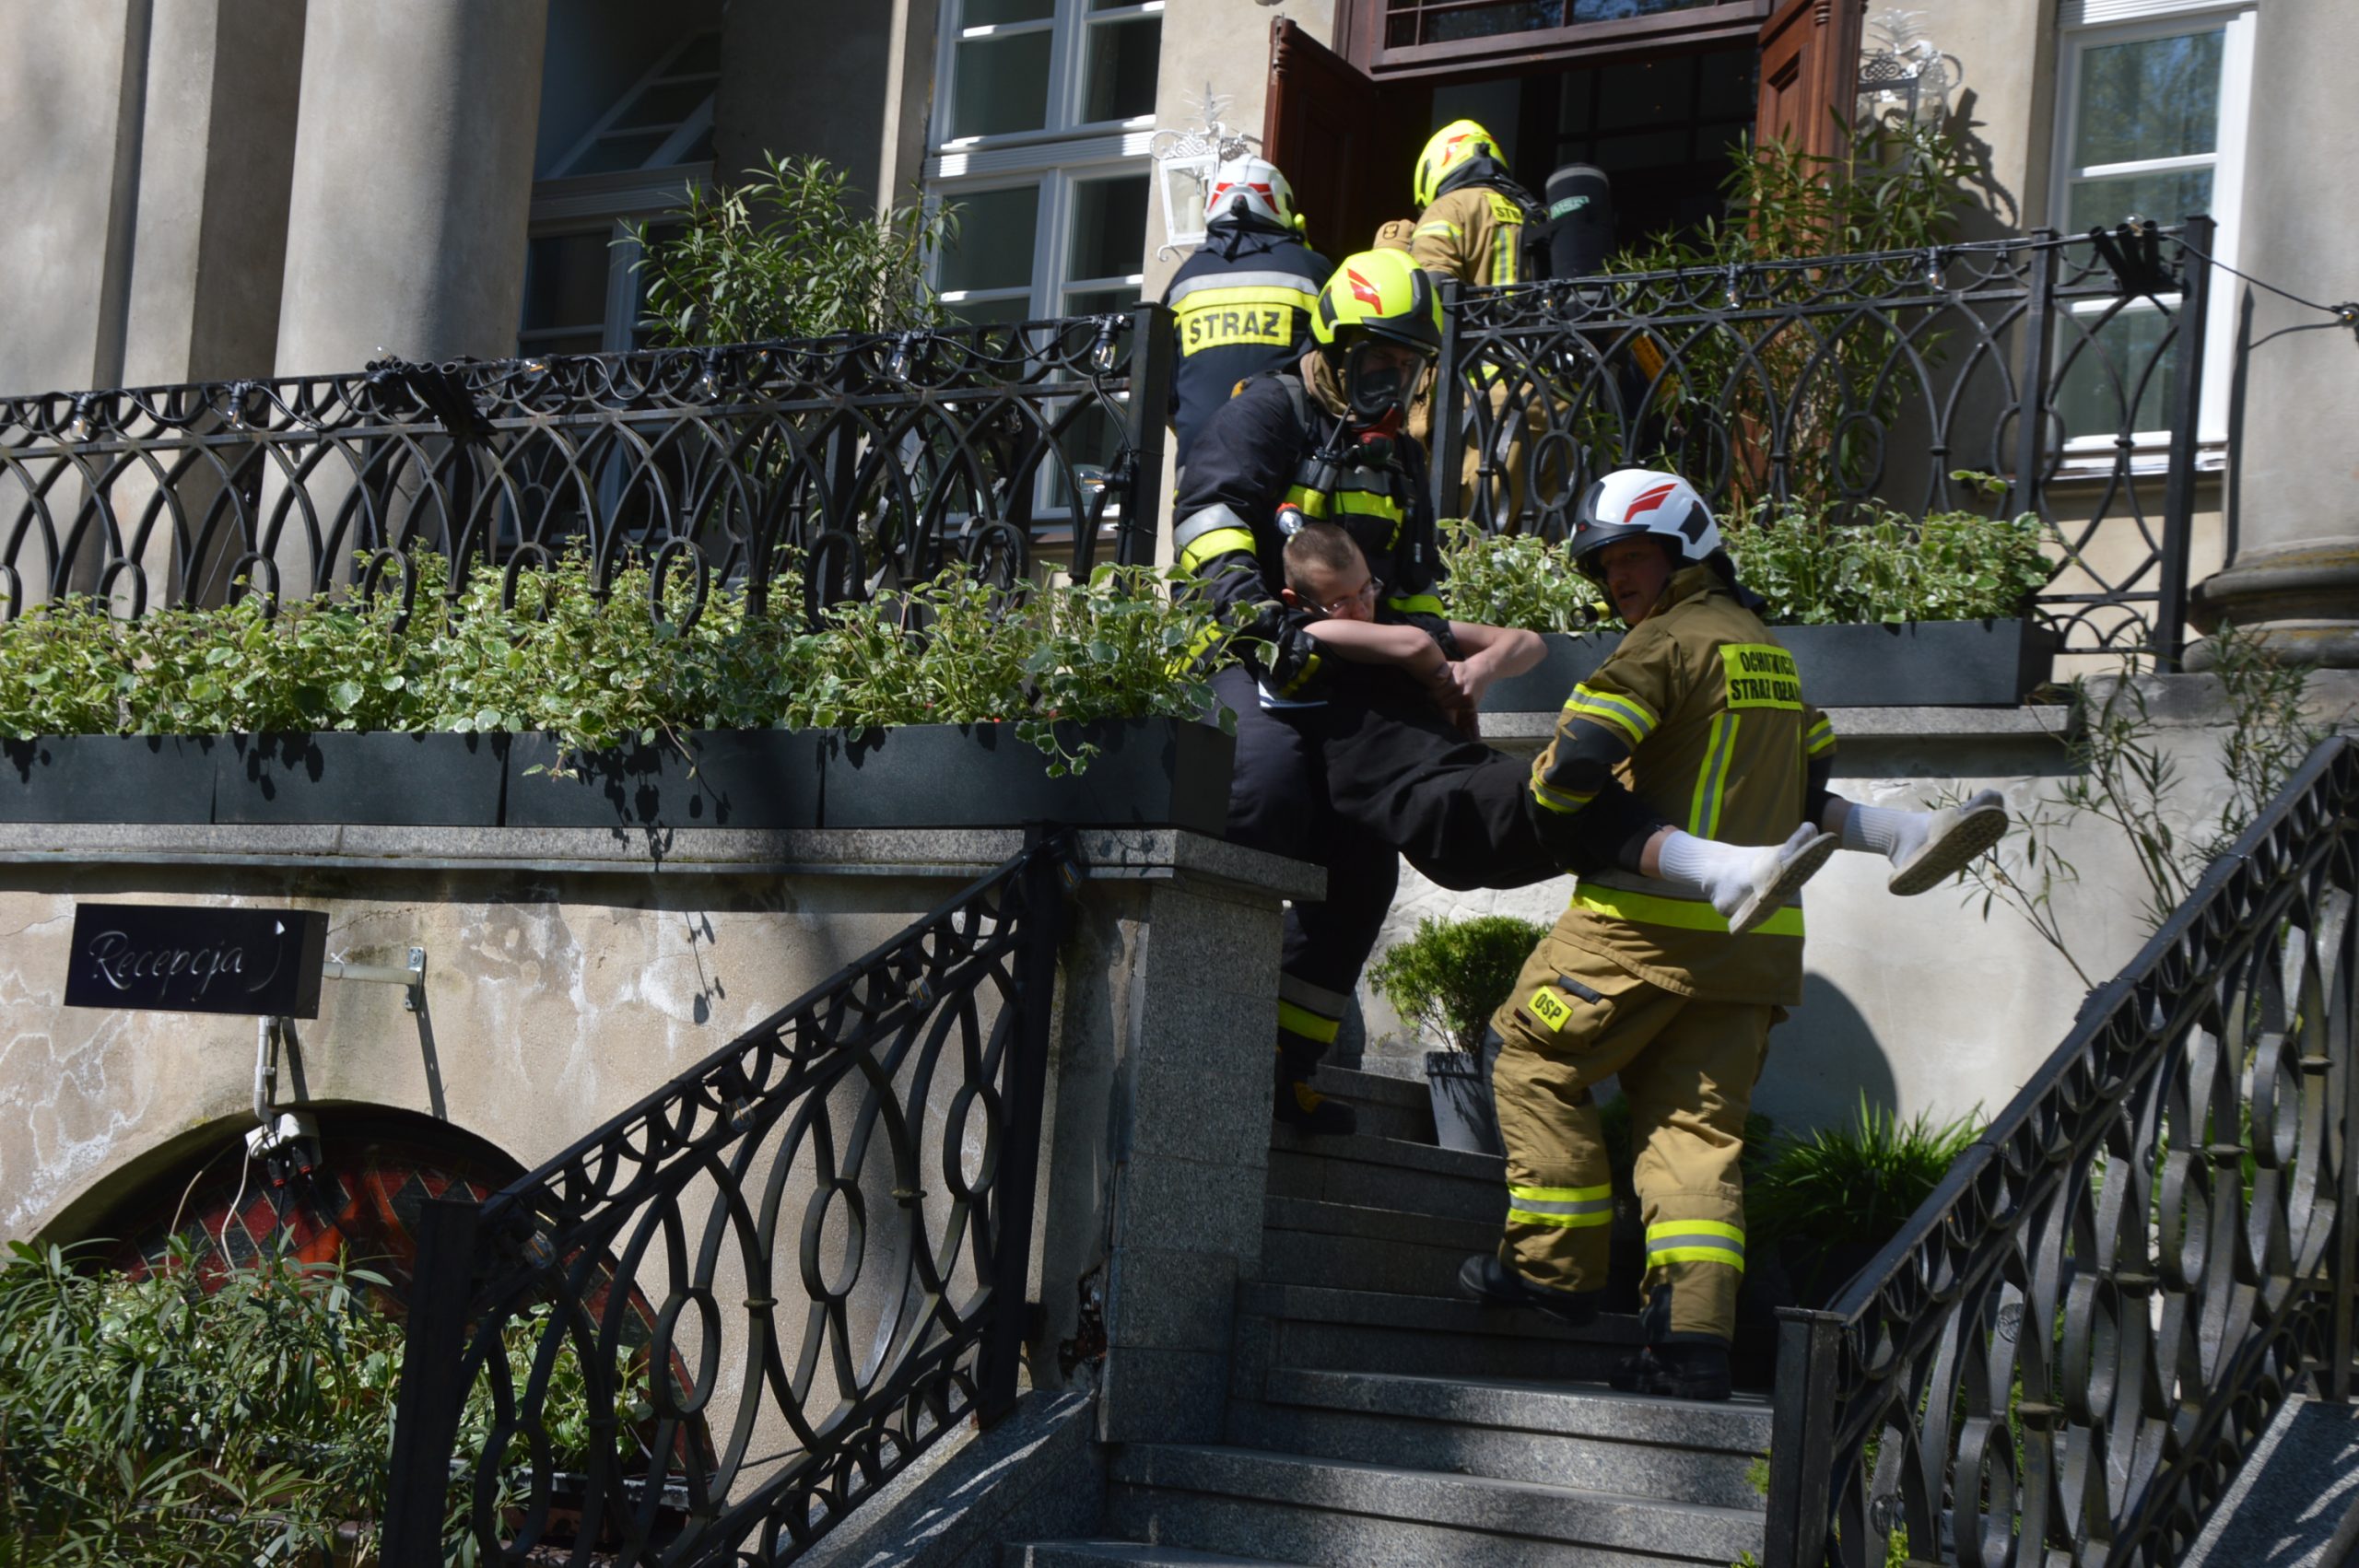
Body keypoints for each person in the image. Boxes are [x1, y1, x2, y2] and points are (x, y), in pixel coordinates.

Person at [1172, 274, 1835, 1136]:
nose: (1393, 380)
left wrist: (1444, 680)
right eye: (1377, 360)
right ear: (1332, 350)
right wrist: (1258, 615)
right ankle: (1200, 1041)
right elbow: (1210, 515)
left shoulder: (1397, 455)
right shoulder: (1269, 411)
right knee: (1264, 795)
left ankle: (1280, 1070)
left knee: (1364, 869)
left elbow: (1411, 592)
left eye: (1408, 365)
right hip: (1253, 651)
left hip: (1356, 675)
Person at [1458, 469, 2004, 1400]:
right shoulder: (1769, 653)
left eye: (1633, 559)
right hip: (1753, 952)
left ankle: (1553, 1269)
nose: (1618, 580)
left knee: (1527, 1056)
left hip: (1636, 933)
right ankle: (1690, 1348)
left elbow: (1569, 771)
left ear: (1684, 552)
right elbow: (1807, 781)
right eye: (1605, 566)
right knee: (1693, 1134)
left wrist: (1556, 792)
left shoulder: (1663, 644)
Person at [1163, 156, 1331, 472]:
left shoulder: (1184, 280)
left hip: (1198, 473)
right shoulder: (1312, 272)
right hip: (1291, 474)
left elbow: (1162, 393)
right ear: (1281, 204)